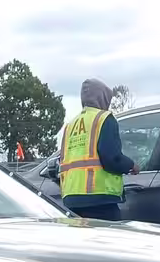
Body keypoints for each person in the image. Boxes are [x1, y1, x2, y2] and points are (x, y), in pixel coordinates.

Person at [59, 78, 139, 221]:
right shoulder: (104, 119)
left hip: (71, 199)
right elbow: (111, 158)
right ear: (102, 97)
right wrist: (131, 165)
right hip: (100, 198)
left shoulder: (70, 125)